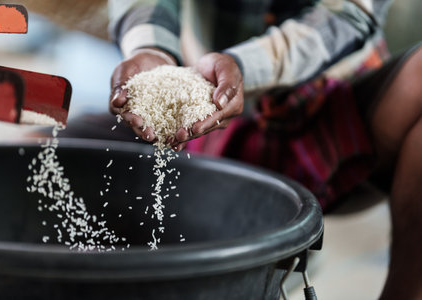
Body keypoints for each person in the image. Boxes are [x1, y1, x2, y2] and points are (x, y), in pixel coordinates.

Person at [103, 0, 422, 299]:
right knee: (71, 156)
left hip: (340, 115)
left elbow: (348, 13)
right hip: (204, 115)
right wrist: (149, 47)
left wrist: (243, 67)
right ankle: (264, 257)